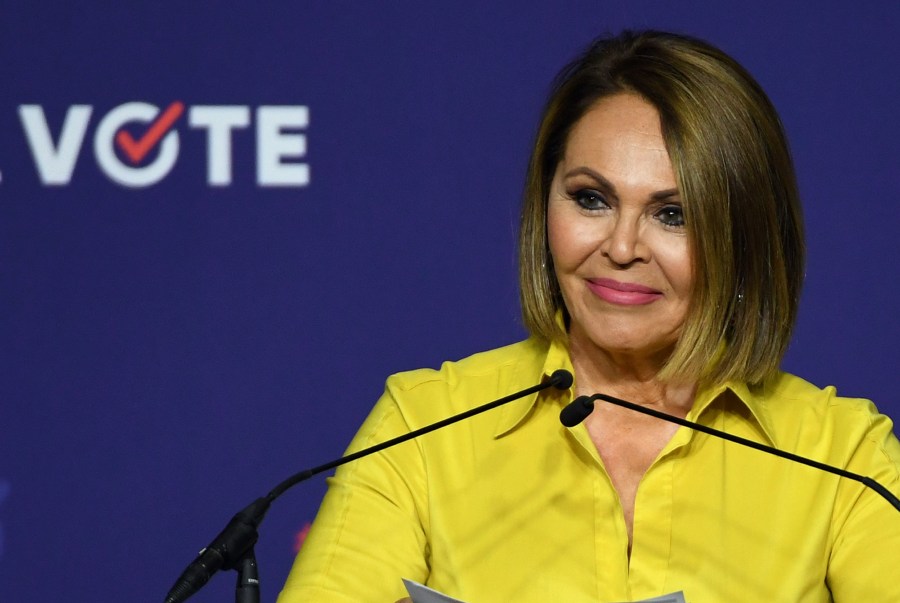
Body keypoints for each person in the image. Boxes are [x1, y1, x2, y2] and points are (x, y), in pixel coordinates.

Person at [277, 30, 900, 602]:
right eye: (591, 199)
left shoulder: (845, 460)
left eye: (673, 213)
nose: (623, 247)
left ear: (746, 237)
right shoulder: (423, 425)